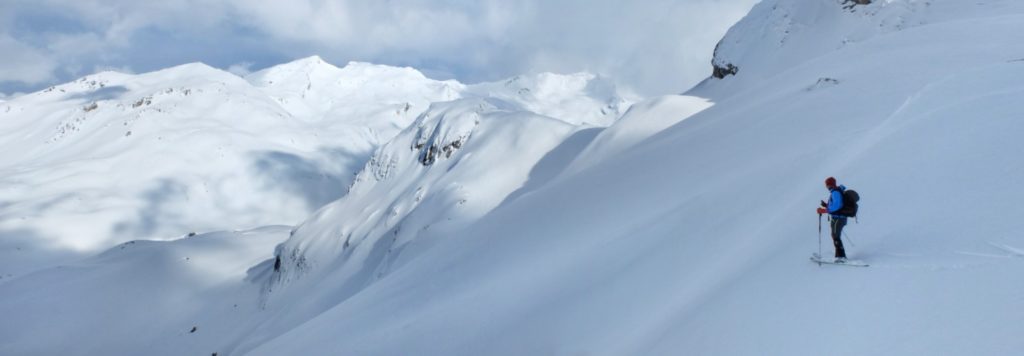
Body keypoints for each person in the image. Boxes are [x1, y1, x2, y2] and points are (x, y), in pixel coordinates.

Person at [816, 177, 847, 261]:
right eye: (827, 185)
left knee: (835, 236)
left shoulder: (835, 192)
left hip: (838, 218)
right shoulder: (836, 191)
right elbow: (836, 205)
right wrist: (826, 205)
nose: (827, 186)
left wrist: (824, 210)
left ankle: (841, 257)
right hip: (838, 218)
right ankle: (839, 256)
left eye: (828, 184)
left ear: (831, 184)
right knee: (835, 236)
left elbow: (837, 206)